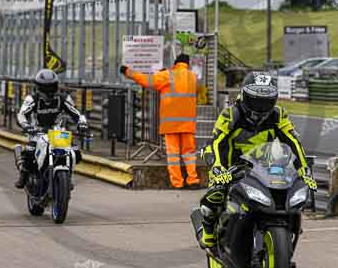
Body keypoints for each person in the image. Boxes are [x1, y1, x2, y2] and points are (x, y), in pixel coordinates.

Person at [197, 71, 317, 248]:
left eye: (266, 101)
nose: (260, 106)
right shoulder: (231, 114)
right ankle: (208, 233)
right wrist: (217, 168)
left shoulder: (278, 115)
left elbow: (293, 142)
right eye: (255, 100)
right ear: (244, 96)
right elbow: (216, 142)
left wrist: (304, 170)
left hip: (263, 166)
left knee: (287, 193)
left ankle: (282, 231)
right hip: (230, 166)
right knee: (216, 194)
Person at [121, 53, 200, 188]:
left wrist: (128, 71)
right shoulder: (193, 77)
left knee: (173, 155)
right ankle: (192, 180)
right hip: (188, 123)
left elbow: (146, 80)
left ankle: (177, 183)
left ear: (175, 63)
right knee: (189, 154)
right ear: (187, 64)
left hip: (171, 124)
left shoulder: (168, 75)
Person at [15, 69, 88, 189]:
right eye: (45, 88)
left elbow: (77, 114)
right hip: (37, 132)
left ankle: (67, 177)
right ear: (38, 87)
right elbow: (21, 114)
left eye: (52, 87)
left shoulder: (63, 98)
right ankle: (23, 175)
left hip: (57, 132)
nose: (49, 92)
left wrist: (82, 123)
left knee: (76, 153)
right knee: (29, 152)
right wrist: (26, 126)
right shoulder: (32, 99)